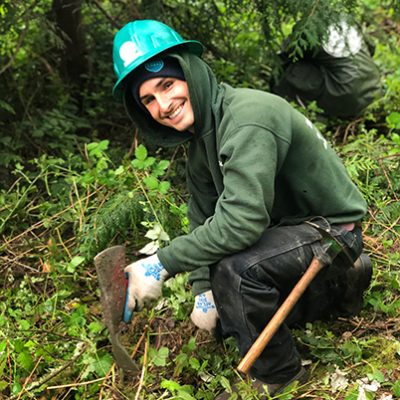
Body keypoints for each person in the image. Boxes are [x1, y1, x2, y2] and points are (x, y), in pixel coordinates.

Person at [111, 19, 372, 398]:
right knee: (227, 314)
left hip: (332, 232)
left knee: (235, 271)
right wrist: (203, 289)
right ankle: (341, 285)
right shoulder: (201, 141)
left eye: (167, 85)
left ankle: (280, 378)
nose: (163, 105)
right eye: (148, 100)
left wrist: (160, 264)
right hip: (288, 233)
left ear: (190, 73)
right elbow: (203, 215)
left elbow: (242, 223)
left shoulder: (247, 117)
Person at [271, 19, 382, 118]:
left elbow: (287, 54)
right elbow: (371, 47)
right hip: (373, 90)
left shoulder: (309, 24)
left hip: (345, 95)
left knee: (285, 70)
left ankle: (305, 112)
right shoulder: (348, 17)